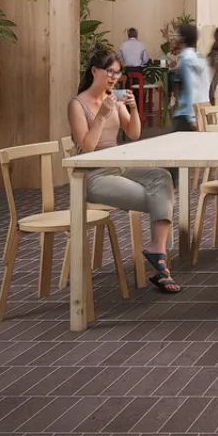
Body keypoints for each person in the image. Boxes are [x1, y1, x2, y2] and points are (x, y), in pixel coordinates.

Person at [68, 46, 179, 293]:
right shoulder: (77, 104)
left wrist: (133, 107)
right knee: (157, 198)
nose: (113, 77)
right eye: (109, 72)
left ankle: (157, 250)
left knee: (162, 177)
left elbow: (134, 133)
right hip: (94, 175)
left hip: (121, 166)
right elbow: (86, 147)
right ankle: (161, 264)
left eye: (117, 73)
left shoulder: (113, 98)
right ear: (94, 71)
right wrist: (101, 117)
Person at [174, 21, 211, 132]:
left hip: (186, 113)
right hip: (202, 110)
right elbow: (206, 84)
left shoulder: (185, 59)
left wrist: (191, 117)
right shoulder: (200, 58)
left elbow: (190, 86)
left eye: (176, 34)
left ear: (182, 38)